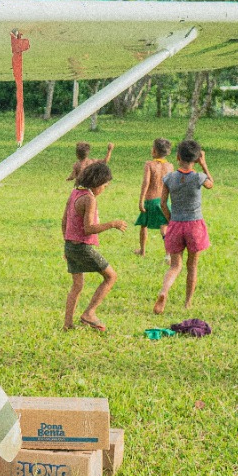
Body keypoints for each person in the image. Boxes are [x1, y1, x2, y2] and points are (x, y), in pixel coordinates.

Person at [61, 161, 126, 333]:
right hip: (83, 248)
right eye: (105, 185)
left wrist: (65, 244)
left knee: (77, 285)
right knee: (111, 276)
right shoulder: (89, 199)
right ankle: (89, 313)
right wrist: (112, 224)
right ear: (97, 183)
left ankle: (68, 324)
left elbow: (64, 220)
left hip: (70, 245)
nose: (105, 189)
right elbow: (89, 228)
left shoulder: (75, 192)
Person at [154, 139, 213, 313]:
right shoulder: (198, 178)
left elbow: (163, 203)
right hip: (194, 225)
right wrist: (204, 164)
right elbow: (211, 183)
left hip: (176, 223)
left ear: (178, 157)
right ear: (195, 159)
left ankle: (164, 291)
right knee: (192, 266)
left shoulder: (169, 178)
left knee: (174, 266)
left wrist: (172, 220)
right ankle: (187, 303)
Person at [135, 138, 174, 256]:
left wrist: (141, 200)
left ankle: (142, 250)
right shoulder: (170, 166)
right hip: (164, 201)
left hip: (150, 200)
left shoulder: (149, 164)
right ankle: (168, 254)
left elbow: (146, 182)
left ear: (155, 151)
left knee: (143, 225)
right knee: (164, 226)